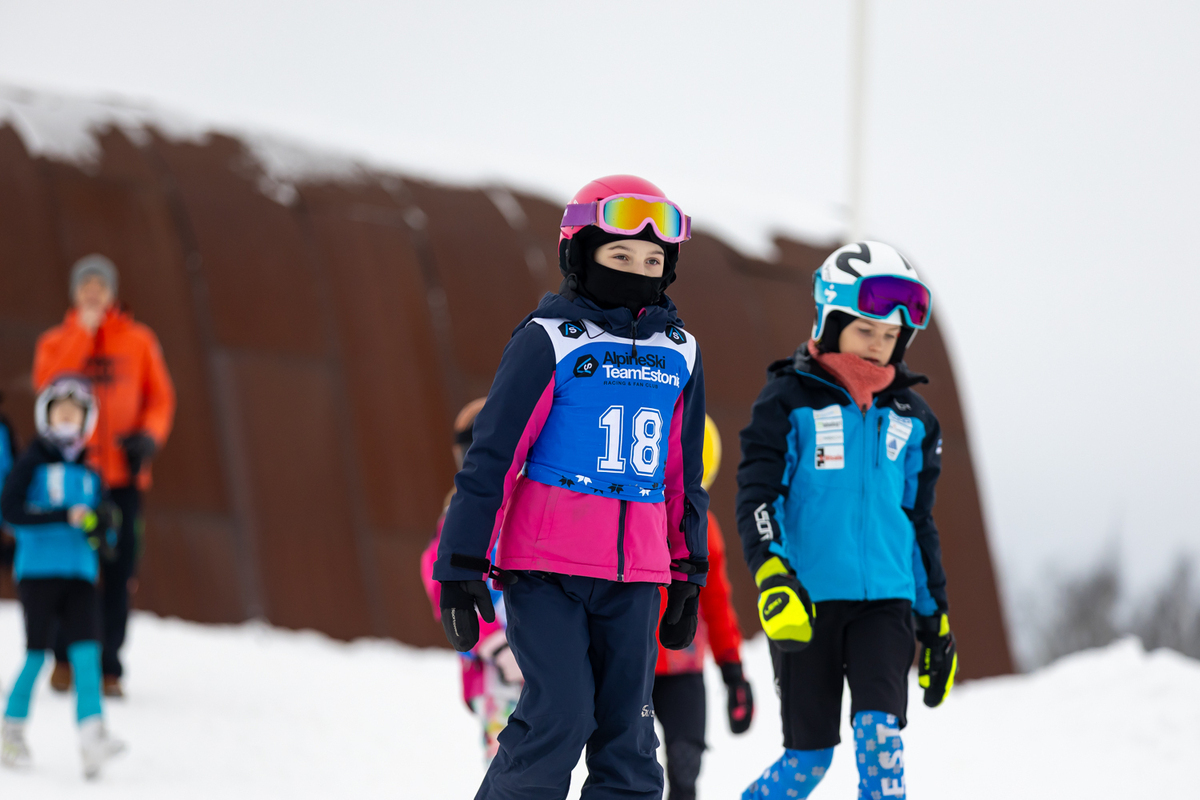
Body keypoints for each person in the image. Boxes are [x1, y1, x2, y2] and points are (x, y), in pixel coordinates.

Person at [433, 175, 710, 799]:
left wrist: (688, 572)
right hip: (546, 571)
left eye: (652, 261)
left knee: (630, 740)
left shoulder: (681, 353)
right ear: (579, 253)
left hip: (636, 579)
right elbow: (494, 457)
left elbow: (681, 477)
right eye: (620, 255)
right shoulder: (550, 340)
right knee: (558, 717)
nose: (638, 271)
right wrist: (460, 562)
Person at [735, 242, 958, 799]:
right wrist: (773, 574)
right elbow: (758, 496)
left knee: (880, 738)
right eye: (866, 330)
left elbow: (918, 523)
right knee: (807, 761)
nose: (879, 345)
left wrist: (935, 620)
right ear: (830, 322)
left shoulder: (914, 419)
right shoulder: (787, 402)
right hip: (806, 603)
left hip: (886, 604)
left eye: (891, 335)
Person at [33, 254, 176, 697]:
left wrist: (148, 437)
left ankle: (109, 664)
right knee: (70, 569)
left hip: (121, 479)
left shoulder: (139, 341)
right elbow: (50, 386)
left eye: (100, 286)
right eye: (86, 285)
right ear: (75, 293)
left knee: (118, 569)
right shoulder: (57, 341)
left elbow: (160, 399)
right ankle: (62, 658)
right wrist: (83, 333)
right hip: (74, 477)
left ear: (113, 293)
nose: (93, 292)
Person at [0, 375, 126, 779]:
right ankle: (10, 729)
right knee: (37, 654)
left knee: (87, 654)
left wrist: (104, 530)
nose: (68, 418)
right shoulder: (32, 462)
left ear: (87, 421)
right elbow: (11, 512)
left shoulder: (91, 472)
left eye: (76, 413)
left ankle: (92, 736)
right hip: (38, 572)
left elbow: (105, 530)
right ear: (46, 416)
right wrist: (63, 516)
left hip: (80, 574)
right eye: (61, 411)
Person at [653, 414, 753, 800]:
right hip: (630, 658)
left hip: (683, 663)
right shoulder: (624, 517)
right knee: (628, 760)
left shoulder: (702, 527)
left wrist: (733, 670)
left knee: (685, 763)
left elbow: (716, 601)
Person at [421, 397, 524, 764]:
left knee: (547, 759)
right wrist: (495, 645)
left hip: (540, 647)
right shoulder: (460, 514)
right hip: (495, 666)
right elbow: (441, 578)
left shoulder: (527, 501)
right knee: (507, 760)